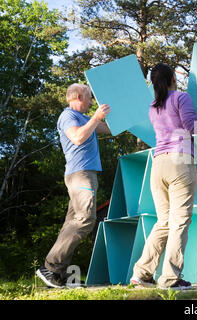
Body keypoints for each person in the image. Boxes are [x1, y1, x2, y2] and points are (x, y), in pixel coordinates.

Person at [130, 63, 197, 289]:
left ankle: (141, 274)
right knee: (179, 223)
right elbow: (191, 127)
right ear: (172, 79)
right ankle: (170, 279)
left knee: (164, 222)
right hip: (179, 163)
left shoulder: (153, 106)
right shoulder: (181, 97)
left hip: (158, 165)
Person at [36, 83, 111, 288]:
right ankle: (50, 267)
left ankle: (59, 274)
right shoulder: (68, 116)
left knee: (71, 224)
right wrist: (96, 117)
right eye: (88, 98)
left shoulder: (86, 118)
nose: (91, 102)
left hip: (85, 175)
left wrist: (130, 116)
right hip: (81, 176)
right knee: (86, 219)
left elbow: (110, 128)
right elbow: (78, 137)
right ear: (78, 97)